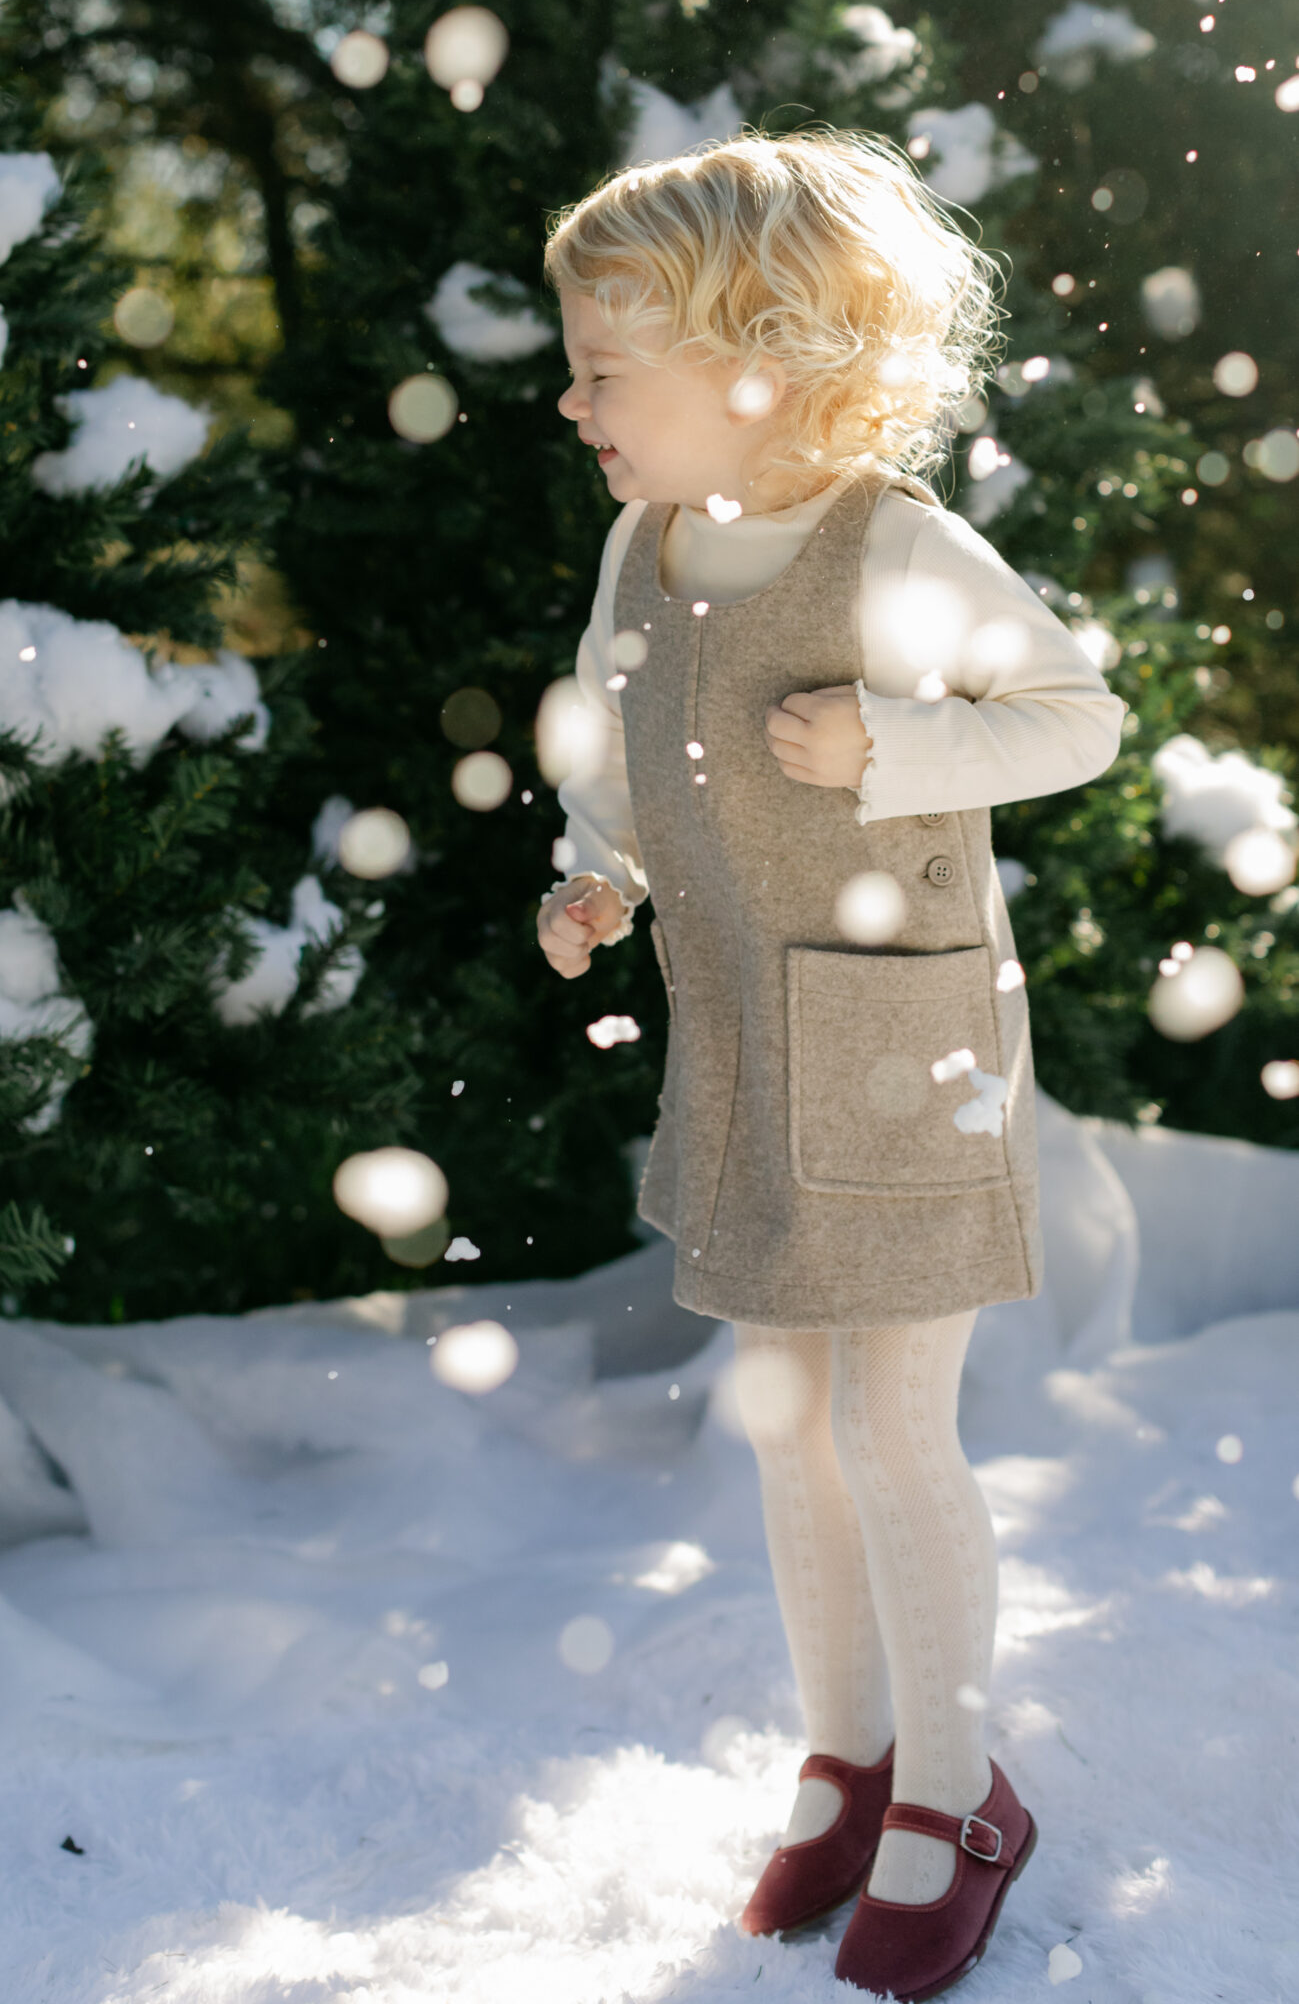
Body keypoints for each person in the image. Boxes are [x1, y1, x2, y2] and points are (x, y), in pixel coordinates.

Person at [534, 129, 1124, 2002]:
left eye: (606, 369)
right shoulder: (643, 551)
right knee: (786, 1423)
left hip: (896, 1051)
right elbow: (620, 757)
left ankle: (959, 1790)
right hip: (738, 1045)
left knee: (892, 1426)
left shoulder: (893, 546)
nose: (576, 403)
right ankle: (847, 1760)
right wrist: (599, 875)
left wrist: (893, 741)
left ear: (753, 361)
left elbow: (1073, 719)